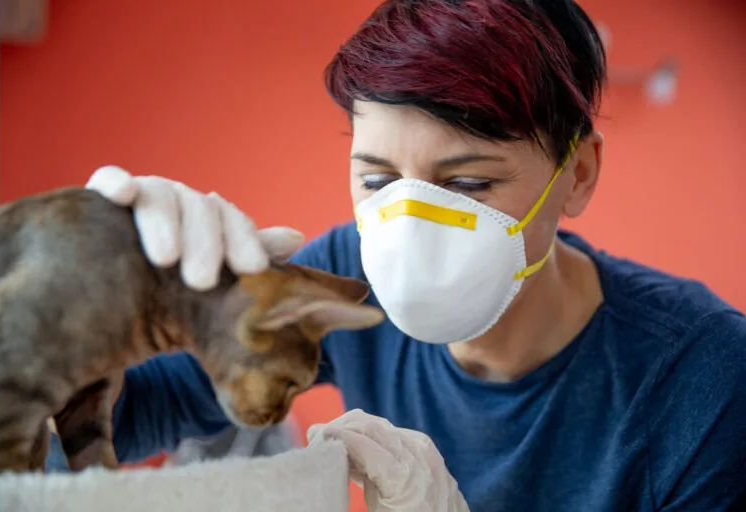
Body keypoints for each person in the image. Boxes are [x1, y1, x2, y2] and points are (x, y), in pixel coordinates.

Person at [47, 0, 746, 510]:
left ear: (579, 174)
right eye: (378, 181)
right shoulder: (347, 277)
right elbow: (132, 415)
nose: (411, 232)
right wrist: (75, 341)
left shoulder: (703, 377)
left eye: (469, 184)